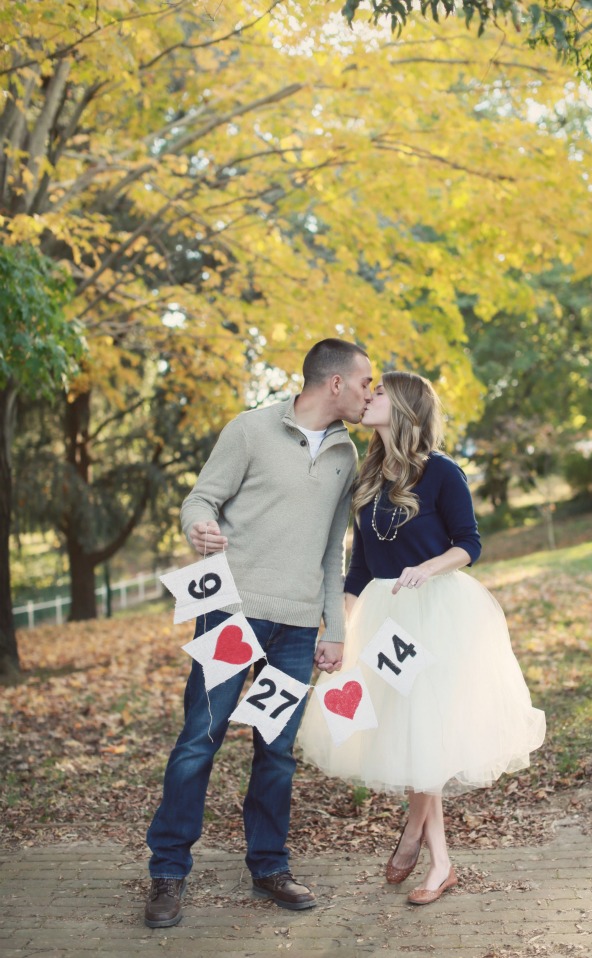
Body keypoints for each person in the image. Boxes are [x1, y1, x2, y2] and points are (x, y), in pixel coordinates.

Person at [145, 339, 373, 926]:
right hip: (230, 613)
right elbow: (200, 500)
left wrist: (334, 627)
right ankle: (167, 872)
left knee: (276, 750)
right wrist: (199, 528)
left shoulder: (347, 455)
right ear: (335, 383)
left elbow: (334, 548)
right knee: (201, 737)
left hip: (296, 629)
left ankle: (270, 866)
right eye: (364, 381)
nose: (369, 393)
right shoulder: (249, 430)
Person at [298, 371, 546, 906]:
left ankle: (425, 848)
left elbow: (469, 543)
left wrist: (427, 568)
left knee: (424, 729)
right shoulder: (367, 477)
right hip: (383, 621)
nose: (368, 397)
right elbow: (359, 568)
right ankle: (434, 856)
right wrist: (339, 631)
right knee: (409, 732)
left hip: (436, 613)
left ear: (406, 407)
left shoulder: (441, 472)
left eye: (379, 393)